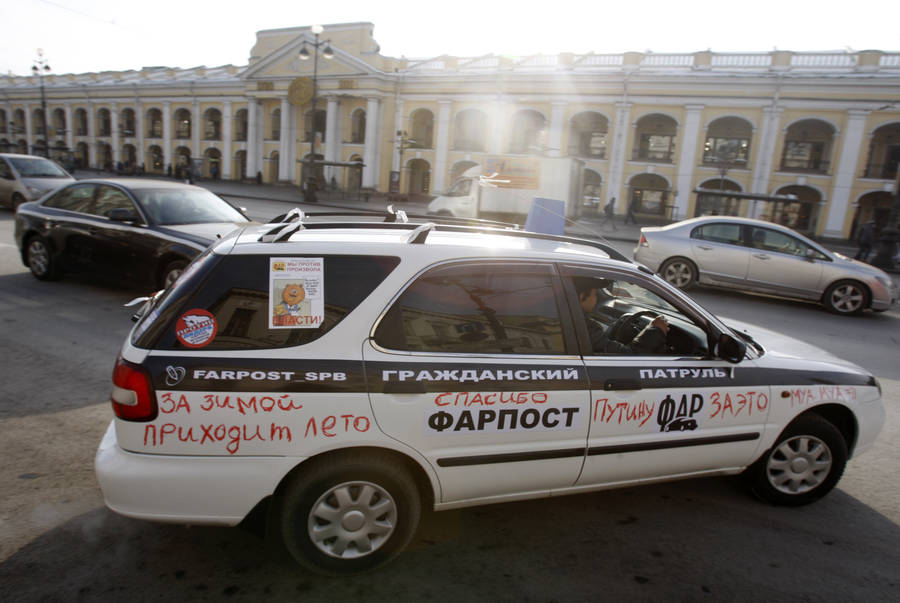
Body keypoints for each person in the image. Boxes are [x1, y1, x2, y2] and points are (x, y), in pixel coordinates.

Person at [574, 277, 669, 354]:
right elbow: (629, 357)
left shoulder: (568, 320)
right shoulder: (584, 328)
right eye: (595, 294)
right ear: (582, 297)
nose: (596, 299)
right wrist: (654, 330)